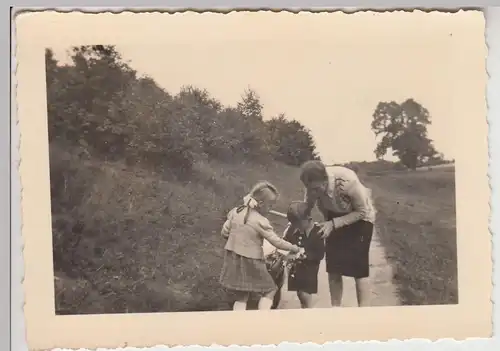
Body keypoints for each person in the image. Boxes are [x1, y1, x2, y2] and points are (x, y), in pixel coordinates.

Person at [299, 160, 376, 307]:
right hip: (333, 215)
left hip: (360, 217)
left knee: (359, 269)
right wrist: (301, 220)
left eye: (315, 189)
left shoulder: (348, 182)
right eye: (309, 189)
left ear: (325, 180)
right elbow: (308, 205)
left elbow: (362, 211)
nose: (312, 193)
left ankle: (364, 311)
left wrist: (333, 224)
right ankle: (335, 309)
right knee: (334, 268)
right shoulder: (312, 185)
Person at [220, 181, 304, 311]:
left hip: (233, 258)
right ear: (260, 204)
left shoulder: (236, 211)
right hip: (251, 261)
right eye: (270, 205)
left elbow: (224, 232)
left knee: (242, 295)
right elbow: (277, 242)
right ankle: (262, 317)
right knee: (270, 289)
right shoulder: (261, 221)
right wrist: (294, 248)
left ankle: (238, 322)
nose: (271, 209)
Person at [282, 201, 325, 308]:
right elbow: (285, 242)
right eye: (293, 223)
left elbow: (320, 254)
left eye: (298, 223)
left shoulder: (317, 232)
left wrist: (306, 255)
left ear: (308, 219)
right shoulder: (292, 229)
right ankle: (304, 308)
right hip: (295, 267)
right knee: (299, 292)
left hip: (309, 268)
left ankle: (308, 310)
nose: (296, 226)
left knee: (305, 292)